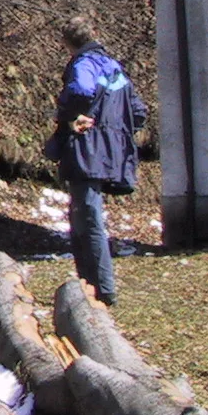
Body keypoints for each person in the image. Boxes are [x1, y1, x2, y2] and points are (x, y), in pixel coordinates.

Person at [51, 16, 147, 307]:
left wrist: (67, 115)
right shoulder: (114, 66)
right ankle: (93, 286)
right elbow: (138, 112)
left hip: (86, 148)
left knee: (85, 217)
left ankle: (99, 289)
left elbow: (81, 90)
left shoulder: (84, 64)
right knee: (87, 215)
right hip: (112, 151)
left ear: (67, 43)